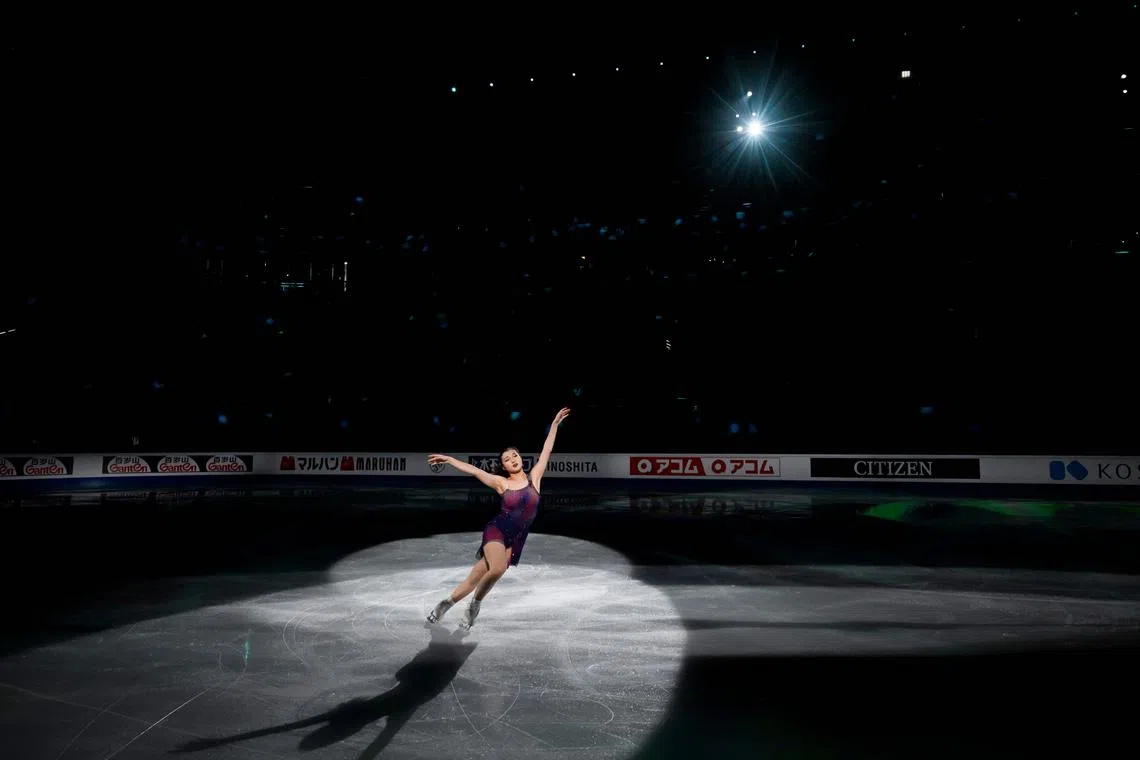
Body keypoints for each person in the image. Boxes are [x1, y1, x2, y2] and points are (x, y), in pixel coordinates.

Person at [425, 407, 570, 630]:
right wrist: (449, 459)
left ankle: (445, 604)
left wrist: (554, 425)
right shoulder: (502, 483)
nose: (512, 459)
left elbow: (547, 449)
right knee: (499, 568)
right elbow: (474, 471)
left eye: (515, 455)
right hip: (497, 530)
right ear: (503, 466)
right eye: (507, 459)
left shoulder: (535, 479)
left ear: (520, 457)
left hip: (518, 537)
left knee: (474, 579)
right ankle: (474, 606)